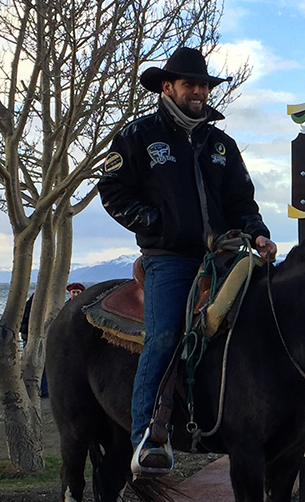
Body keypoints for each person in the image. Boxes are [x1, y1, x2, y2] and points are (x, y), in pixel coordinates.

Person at [98, 47, 276, 478]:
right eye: (189, 85)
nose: (198, 92)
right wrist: (155, 223)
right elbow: (113, 192)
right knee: (163, 336)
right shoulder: (137, 136)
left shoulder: (221, 144)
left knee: (269, 317)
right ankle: (148, 437)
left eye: (203, 85)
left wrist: (258, 232)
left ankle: (276, 420)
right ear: (167, 87)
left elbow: (240, 201)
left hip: (225, 255)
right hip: (170, 260)